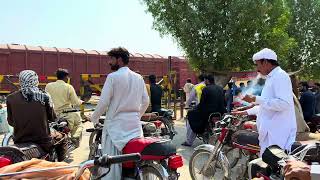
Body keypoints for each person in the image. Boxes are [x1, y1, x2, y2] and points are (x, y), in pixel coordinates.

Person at [231, 48, 297, 178]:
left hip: (278, 134)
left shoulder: (280, 76)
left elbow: (283, 103)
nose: (257, 69)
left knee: (276, 172)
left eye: (258, 64)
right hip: (269, 133)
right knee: (266, 170)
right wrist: (245, 111)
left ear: (266, 62)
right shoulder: (271, 78)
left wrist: (255, 99)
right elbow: (266, 105)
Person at [90, 47, 149, 179]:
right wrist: (136, 116)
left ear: (120, 60)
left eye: (111, 59)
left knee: (112, 166)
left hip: (115, 129)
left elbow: (103, 102)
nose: (109, 62)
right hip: (134, 128)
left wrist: (94, 118)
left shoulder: (113, 77)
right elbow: (145, 101)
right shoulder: (139, 78)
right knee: (134, 160)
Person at [7, 70, 67, 161]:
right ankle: (61, 164)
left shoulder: (10, 98)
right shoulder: (44, 96)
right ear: (35, 80)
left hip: (19, 140)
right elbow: (52, 118)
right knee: (63, 137)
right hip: (43, 142)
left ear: (20, 81)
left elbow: (11, 122)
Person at [182, 74, 225, 146]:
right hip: (220, 112)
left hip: (208, 112)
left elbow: (202, 104)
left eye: (205, 80)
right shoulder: (220, 88)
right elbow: (224, 102)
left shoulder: (205, 89)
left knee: (191, 115)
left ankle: (189, 141)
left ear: (207, 80)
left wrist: (194, 108)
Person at [45, 68, 83, 147]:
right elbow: (75, 102)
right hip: (66, 114)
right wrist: (81, 102)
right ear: (66, 77)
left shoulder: (48, 86)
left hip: (52, 114)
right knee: (78, 123)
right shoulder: (68, 87)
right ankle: (75, 137)